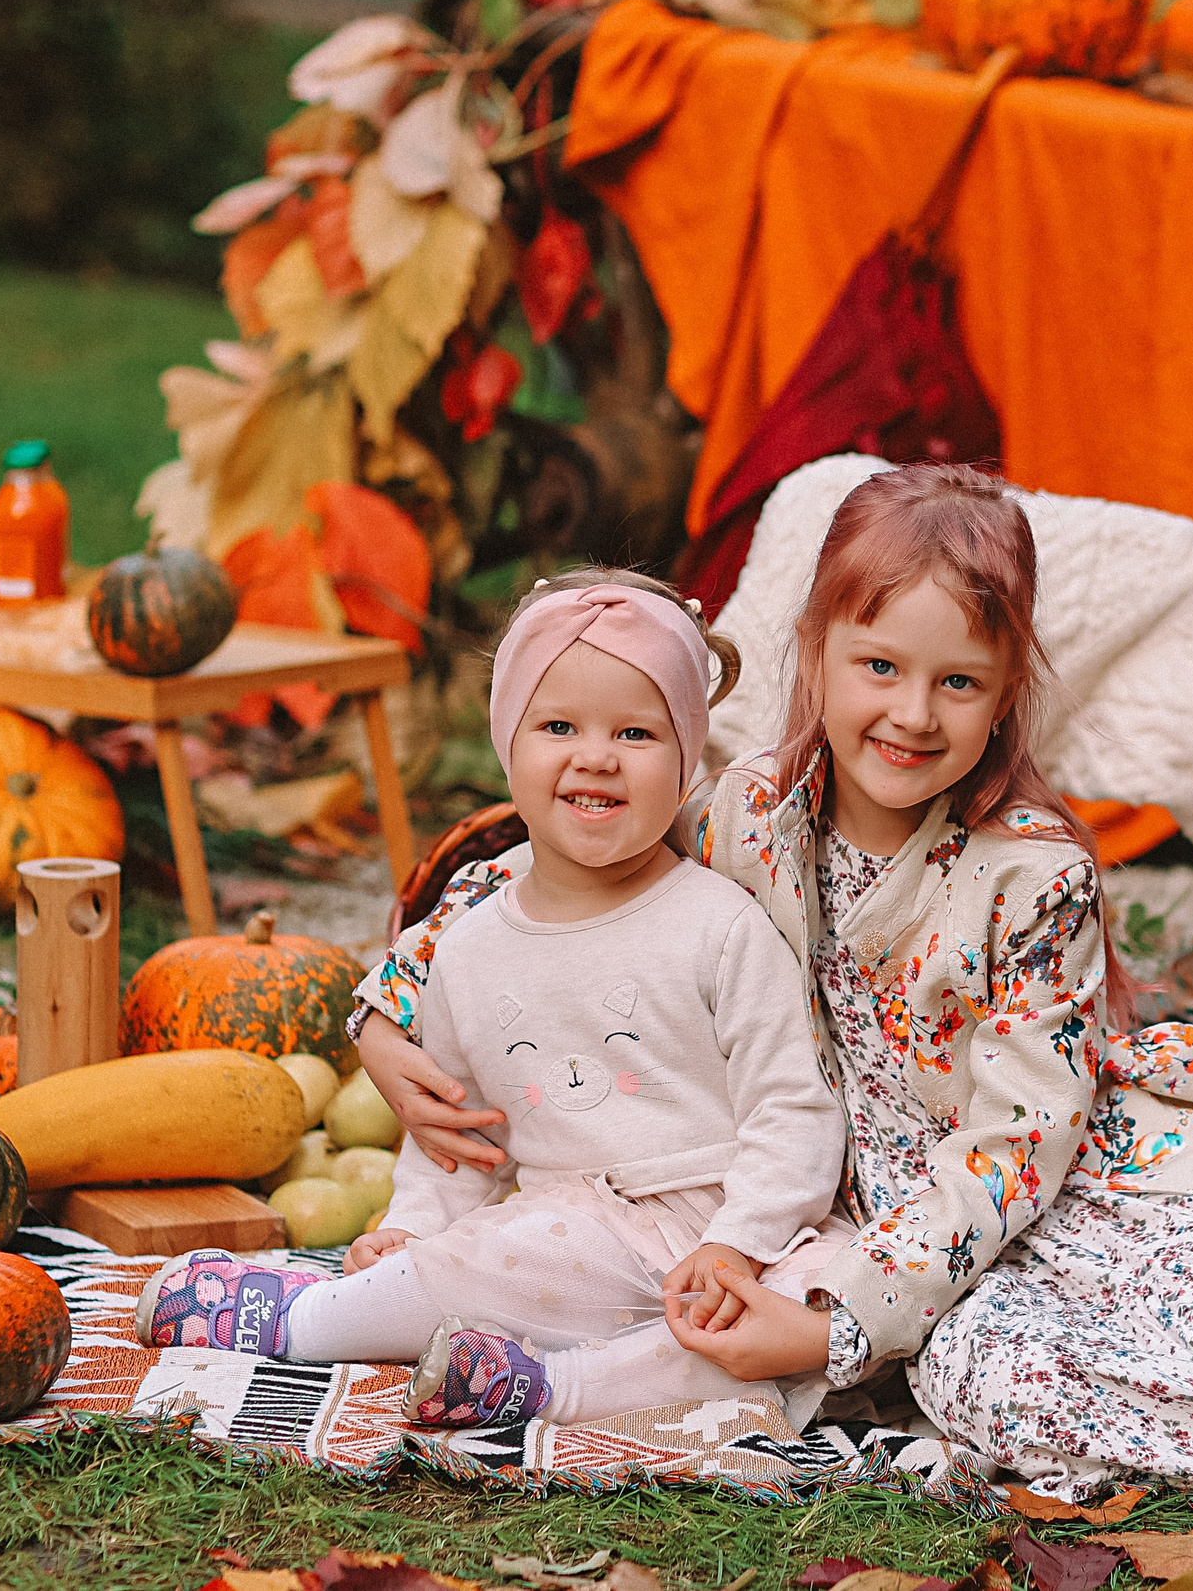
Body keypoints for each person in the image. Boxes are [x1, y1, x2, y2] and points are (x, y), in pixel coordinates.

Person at [351, 466, 1193, 1492]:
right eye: (878, 666)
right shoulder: (748, 815)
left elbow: (1020, 1145)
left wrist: (842, 1319)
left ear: (1006, 693)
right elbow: (559, 874)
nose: (913, 716)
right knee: (990, 1390)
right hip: (835, 1212)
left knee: (1098, 1384)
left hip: (1049, 1197)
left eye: (959, 683)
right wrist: (388, 1009)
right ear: (815, 655)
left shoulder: (1030, 878)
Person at [134, 572, 854, 1430]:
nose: (596, 755)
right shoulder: (471, 949)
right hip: (572, 1233)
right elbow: (457, 1136)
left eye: (636, 732)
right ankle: (299, 1320)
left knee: (826, 1306)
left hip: (724, 1230)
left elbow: (793, 1112)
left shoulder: (721, 925)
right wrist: (410, 1228)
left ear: (688, 759)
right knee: (487, 1256)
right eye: (558, 727)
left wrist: (736, 1245)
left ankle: (550, 1387)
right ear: (507, 746)